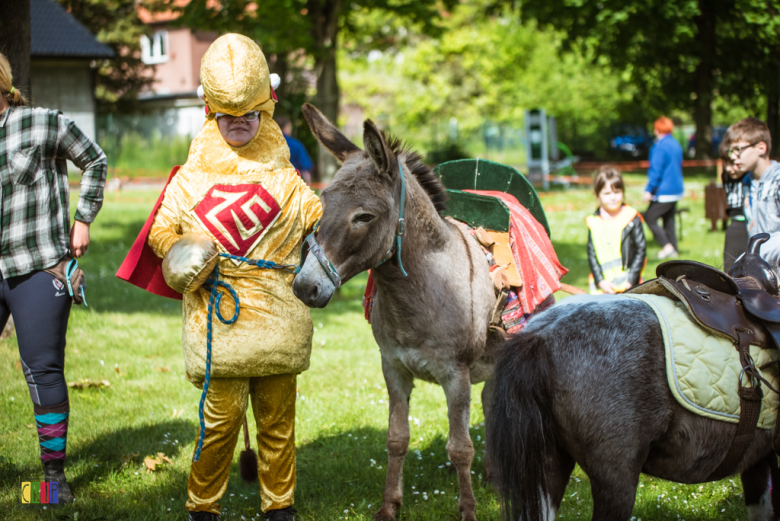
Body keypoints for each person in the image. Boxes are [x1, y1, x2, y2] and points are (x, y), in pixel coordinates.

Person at [117, 34, 321, 521]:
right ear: (212, 113)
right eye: (229, 116)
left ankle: (280, 507)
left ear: (264, 113)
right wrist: (180, 250)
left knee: (277, 424)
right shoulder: (189, 179)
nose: (239, 124)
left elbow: (319, 223)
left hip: (278, 327)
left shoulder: (288, 179)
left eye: (248, 115)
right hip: (218, 328)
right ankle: (202, 508)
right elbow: (162, 231)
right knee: (219, 425)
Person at [0, 53, 107, 502]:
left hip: (38, 265)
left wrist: (82, 220)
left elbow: (95, 161)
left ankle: (51, 481)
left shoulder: (40, 122)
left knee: (41, 369)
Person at [587, 166, 646, 294]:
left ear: (623, 192)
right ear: (598, 195)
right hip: (603, 289)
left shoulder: (631, 217)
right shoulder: (593, 222)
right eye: (607, 193)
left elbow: (641, 250)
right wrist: (600, 281)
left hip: (629, 287)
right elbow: (592, 255)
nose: (613, 197)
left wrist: (631, 281)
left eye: (617, 192)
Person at [728, 117, 780, 238]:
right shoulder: (747, 181)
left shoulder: (777, 181)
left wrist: (765, 250)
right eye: (731, 151)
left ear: (761, 148)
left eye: (738, 149)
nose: (733, 157)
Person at [642, 116, 684, 259]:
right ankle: (674, 250)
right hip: (676, 189)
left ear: (657, 129)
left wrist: (649, 190)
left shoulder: (659, 146)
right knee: (669, 221)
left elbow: (656, 170)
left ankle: (667, 246)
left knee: (650, 217)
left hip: (664, 191)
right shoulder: (675, 144)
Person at [718, 131, 752, 272]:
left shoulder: (749, 177)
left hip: (749, 224)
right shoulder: (726, 176)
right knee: (730, 270)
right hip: (734, 225)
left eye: (734, 164)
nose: (731, 169)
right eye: (727, 164)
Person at [275, 116, 313, 184]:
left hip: (273, 182)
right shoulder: (296, 145)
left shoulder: (268, 144)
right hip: (292, 183)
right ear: (285, 128)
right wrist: (308, 183)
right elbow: (305, 167)